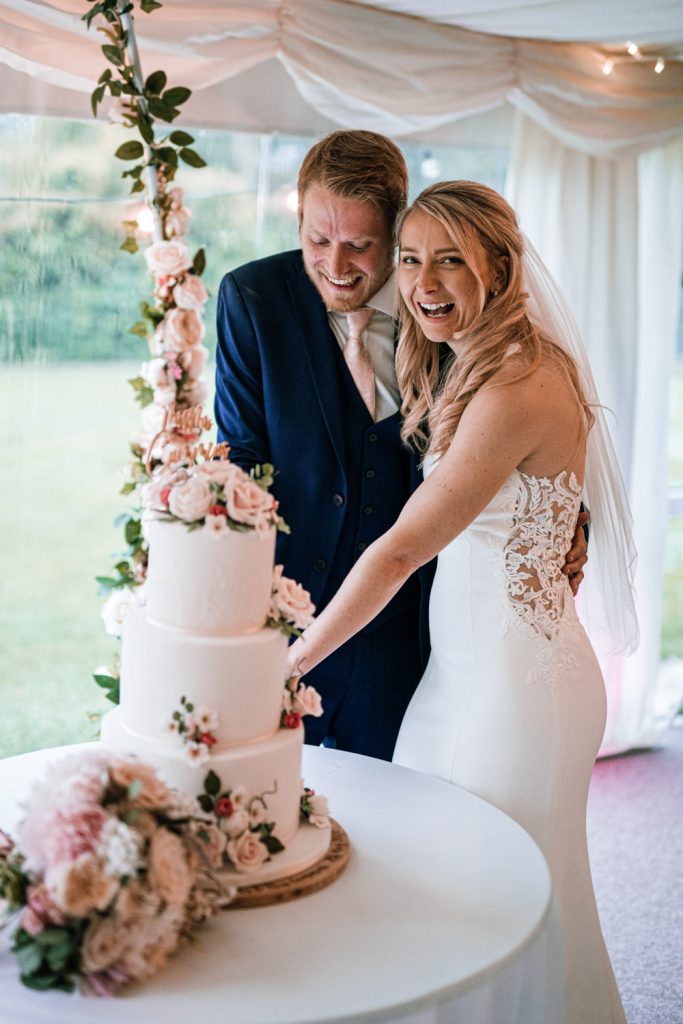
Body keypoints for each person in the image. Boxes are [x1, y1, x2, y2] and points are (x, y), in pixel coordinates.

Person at [285, 181, 637, 1024]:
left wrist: (287, 663)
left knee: (506, 904)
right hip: (463, 677)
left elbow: (404, 547)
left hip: (520, 693)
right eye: (409, 258)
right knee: (446, 892)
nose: (421, 279)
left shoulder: (516, 383)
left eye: (449, 259)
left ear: (500, 267)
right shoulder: (480, 357)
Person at [215, 130, 588, 762]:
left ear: (396, 230)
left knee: (402, 818)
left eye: (360, 246)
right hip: (290, 608)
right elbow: (244, 459)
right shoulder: (253, 299)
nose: (335, 266)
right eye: (316, 240)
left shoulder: (451, 308)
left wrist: (567, 523)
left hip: (414, 632)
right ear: (298, 215)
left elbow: (526, 443)